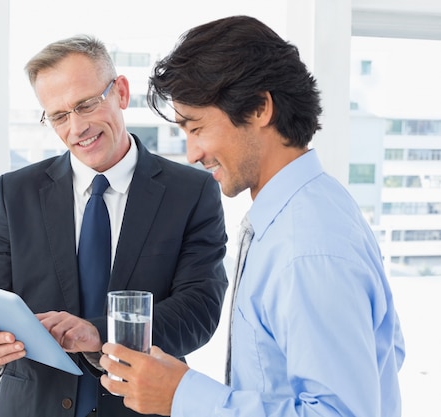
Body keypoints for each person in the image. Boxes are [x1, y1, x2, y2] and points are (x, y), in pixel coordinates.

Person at [99, 15, 405, 417]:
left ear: (260, 108)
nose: (192, 154)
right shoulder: (302, 213)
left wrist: (182, 396)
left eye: (197, 127)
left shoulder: (308, 246)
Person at [0, 34, 228, 417]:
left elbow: (198, 310)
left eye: (86, 105)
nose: (76, 128)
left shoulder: (191, 192)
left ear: (120, 92)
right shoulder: (16, 192)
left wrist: (100, 334)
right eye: (59, 116)